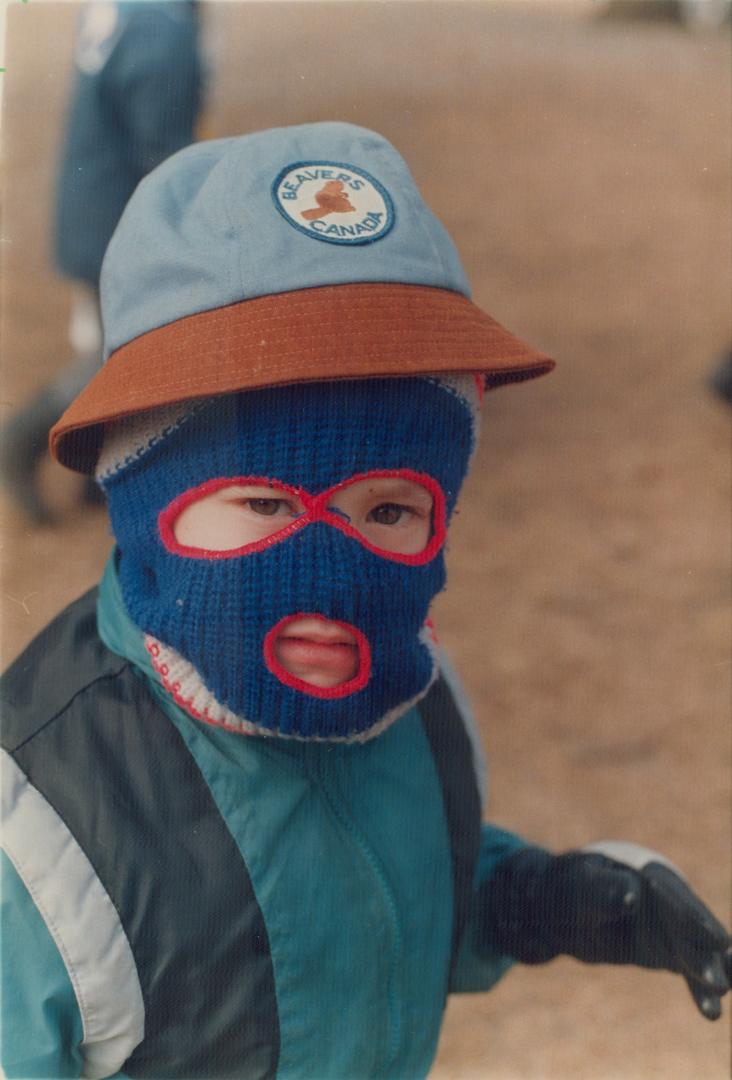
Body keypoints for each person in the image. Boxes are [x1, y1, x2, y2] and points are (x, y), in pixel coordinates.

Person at [2, 122, 730, 1079]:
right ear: (136, 497)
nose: (334, 573)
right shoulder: (40, 827)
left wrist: (546, 900)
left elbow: (385, 895)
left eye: (389, 508)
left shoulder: (411, 699)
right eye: (264, 503)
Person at [0, 0, 203, 523]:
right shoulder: (164, 33)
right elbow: (164, 158)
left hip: (92, 202)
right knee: (127, 351)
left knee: (121, 342)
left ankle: (100, 476)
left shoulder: (132, 10)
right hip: (117, 216)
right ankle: (21, 439)